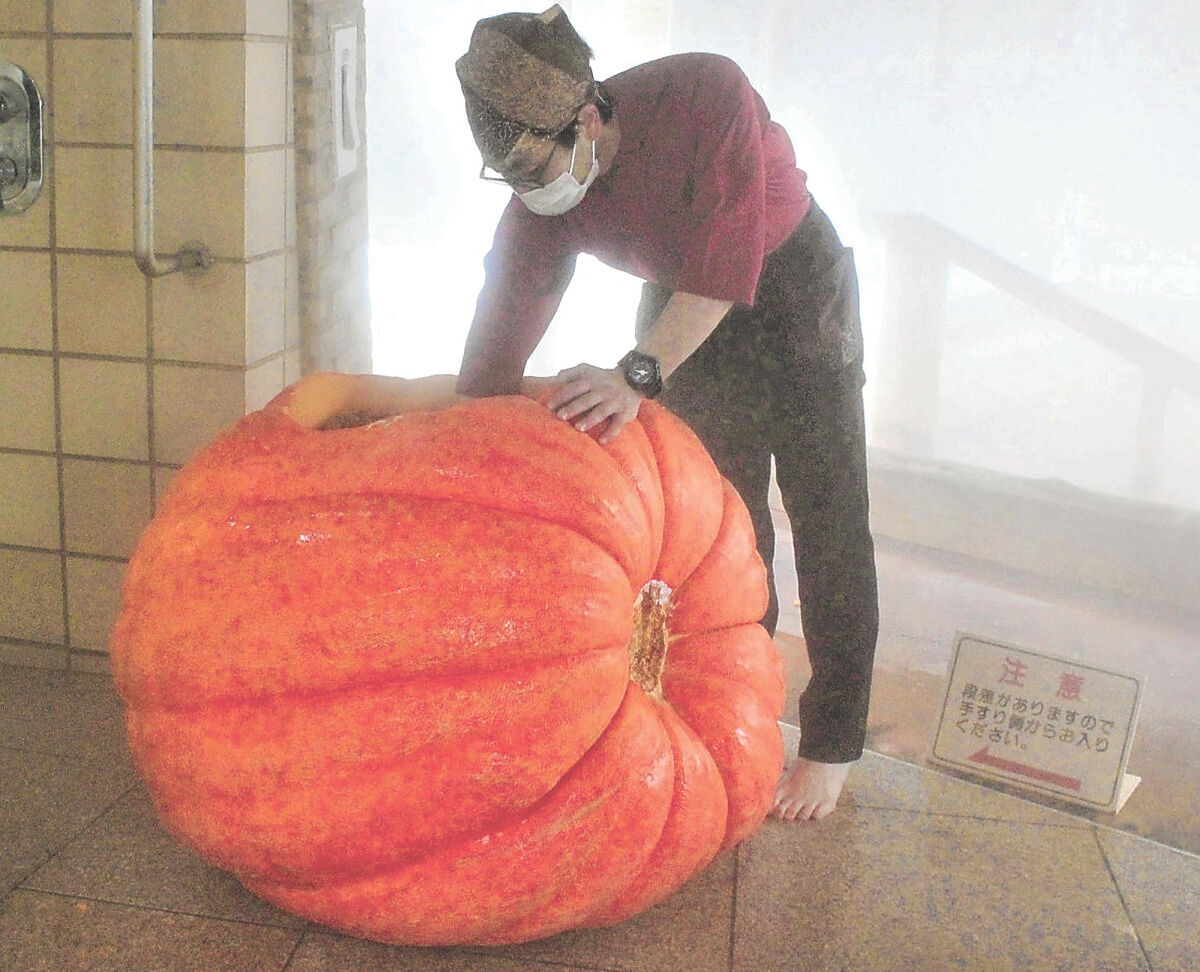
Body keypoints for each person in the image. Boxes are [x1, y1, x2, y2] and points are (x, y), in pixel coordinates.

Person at [454, 5, 878, 821]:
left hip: (795, 287)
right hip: (684, 308)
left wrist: (634, 374)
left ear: (585, 117)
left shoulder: (703, 93)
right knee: (725, 530)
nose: (529, 190)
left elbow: (729, 257)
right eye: (509, 177)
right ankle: (747, 711)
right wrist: (470, 424)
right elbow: (509, 303)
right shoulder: (547, 191)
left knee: (827, 518)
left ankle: (831, 744)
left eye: (534, 168)